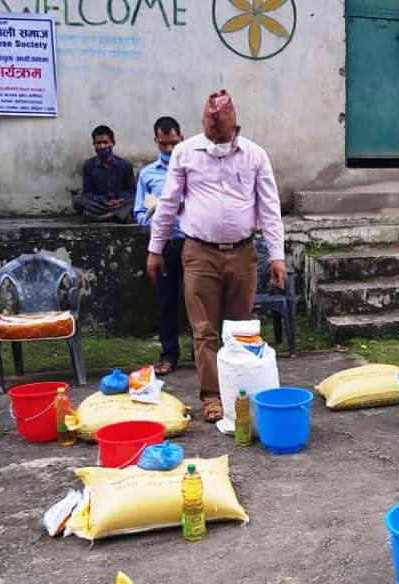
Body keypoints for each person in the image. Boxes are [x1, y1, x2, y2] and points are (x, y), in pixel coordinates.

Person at [146, 90, 286, 423]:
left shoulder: (254, 155)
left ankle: (240, 392)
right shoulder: (185, 152)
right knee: (204, 330)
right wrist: (155, 249)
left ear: (235, 126)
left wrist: (277, 256)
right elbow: (167, 205)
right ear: (203, 126)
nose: (215, 140)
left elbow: (269, 208)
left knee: (240, 330)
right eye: (210, 133)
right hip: (199, 252)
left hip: (242, 253)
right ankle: (212, 397)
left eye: (222, 134)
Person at [134, 116, 187, 376]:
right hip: (164, 246)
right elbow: (138, 214)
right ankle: (169, 354)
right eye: (163, 144)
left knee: (199, 301)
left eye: (173, 144)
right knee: (166, 301)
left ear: (182, 139)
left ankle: (205, 354)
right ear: (156, 141)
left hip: (192, 243)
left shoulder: (193, 168)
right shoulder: (147, 174)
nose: (168, 150)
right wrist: (152, 215)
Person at [73, 125, 135, 224]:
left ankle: (101, 218)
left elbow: (132, 191)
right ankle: (119, 215)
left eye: (105, 142)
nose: (102, 146)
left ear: (113, 143)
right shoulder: (88, 166)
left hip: (120, 203)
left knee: (137, 199)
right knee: (77, 200)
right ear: (94, 144)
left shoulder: (125, 165)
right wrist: (104, 201)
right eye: (98, 143)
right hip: (100, 204)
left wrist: (119, 200)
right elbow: (88, 192)